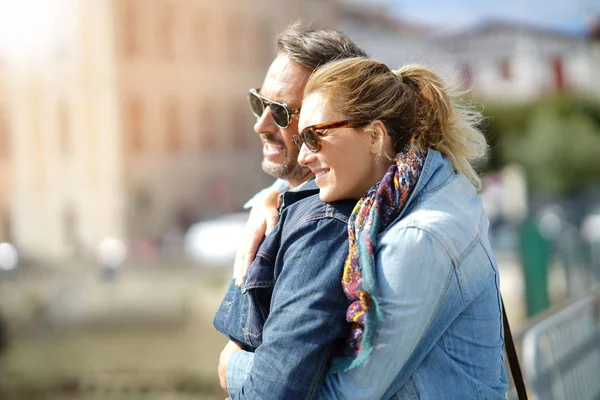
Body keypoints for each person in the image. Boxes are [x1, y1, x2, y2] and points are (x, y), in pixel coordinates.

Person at [223, 57, 509, 399]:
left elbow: (346, 395)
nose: (302, 158)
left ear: (374, 136)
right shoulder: (431, 184)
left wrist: (233, 366)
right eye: (300, 140)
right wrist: (272, 196)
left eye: (314, 137)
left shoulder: (418, 239)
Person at [213, 26, 368, 399]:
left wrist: (229, 366)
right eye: (258, 102)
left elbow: (274, 392)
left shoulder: (325, 225)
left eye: (281, 112)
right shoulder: (293, 202)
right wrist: (276, 195)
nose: (260, 124)